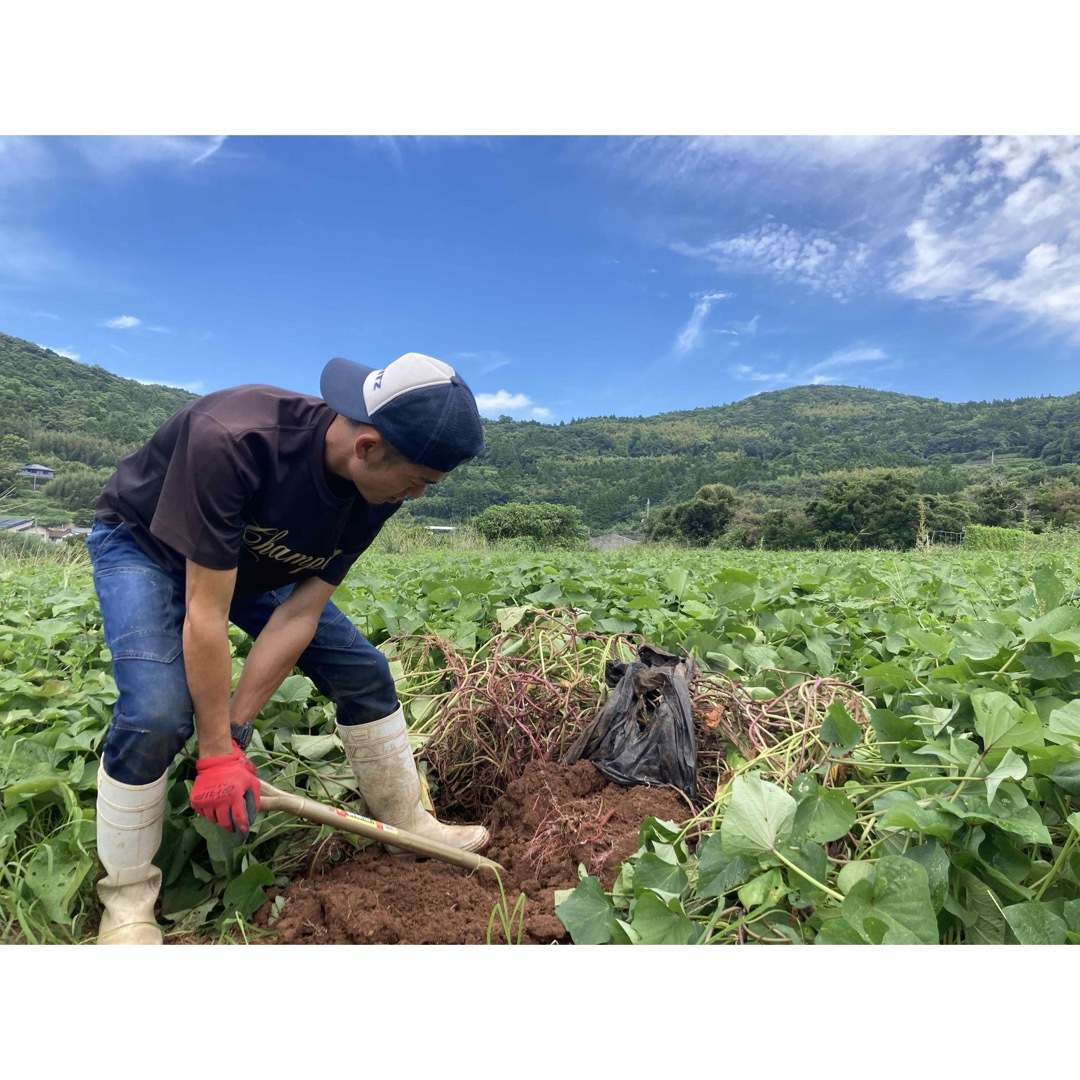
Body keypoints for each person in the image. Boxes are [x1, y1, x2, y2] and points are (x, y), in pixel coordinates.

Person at [88, 351, 488, 944]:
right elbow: (206, 612)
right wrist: (214, 749)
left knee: (362, 670)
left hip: (251, 561)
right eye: (418, 483)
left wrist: (235, 734)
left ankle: (408, 822)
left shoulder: (374, 491)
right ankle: (126, 901)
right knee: (155, 714)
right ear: (367, 445)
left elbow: (300, 610)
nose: (418, 496)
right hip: (145, 547)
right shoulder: (234, 438)